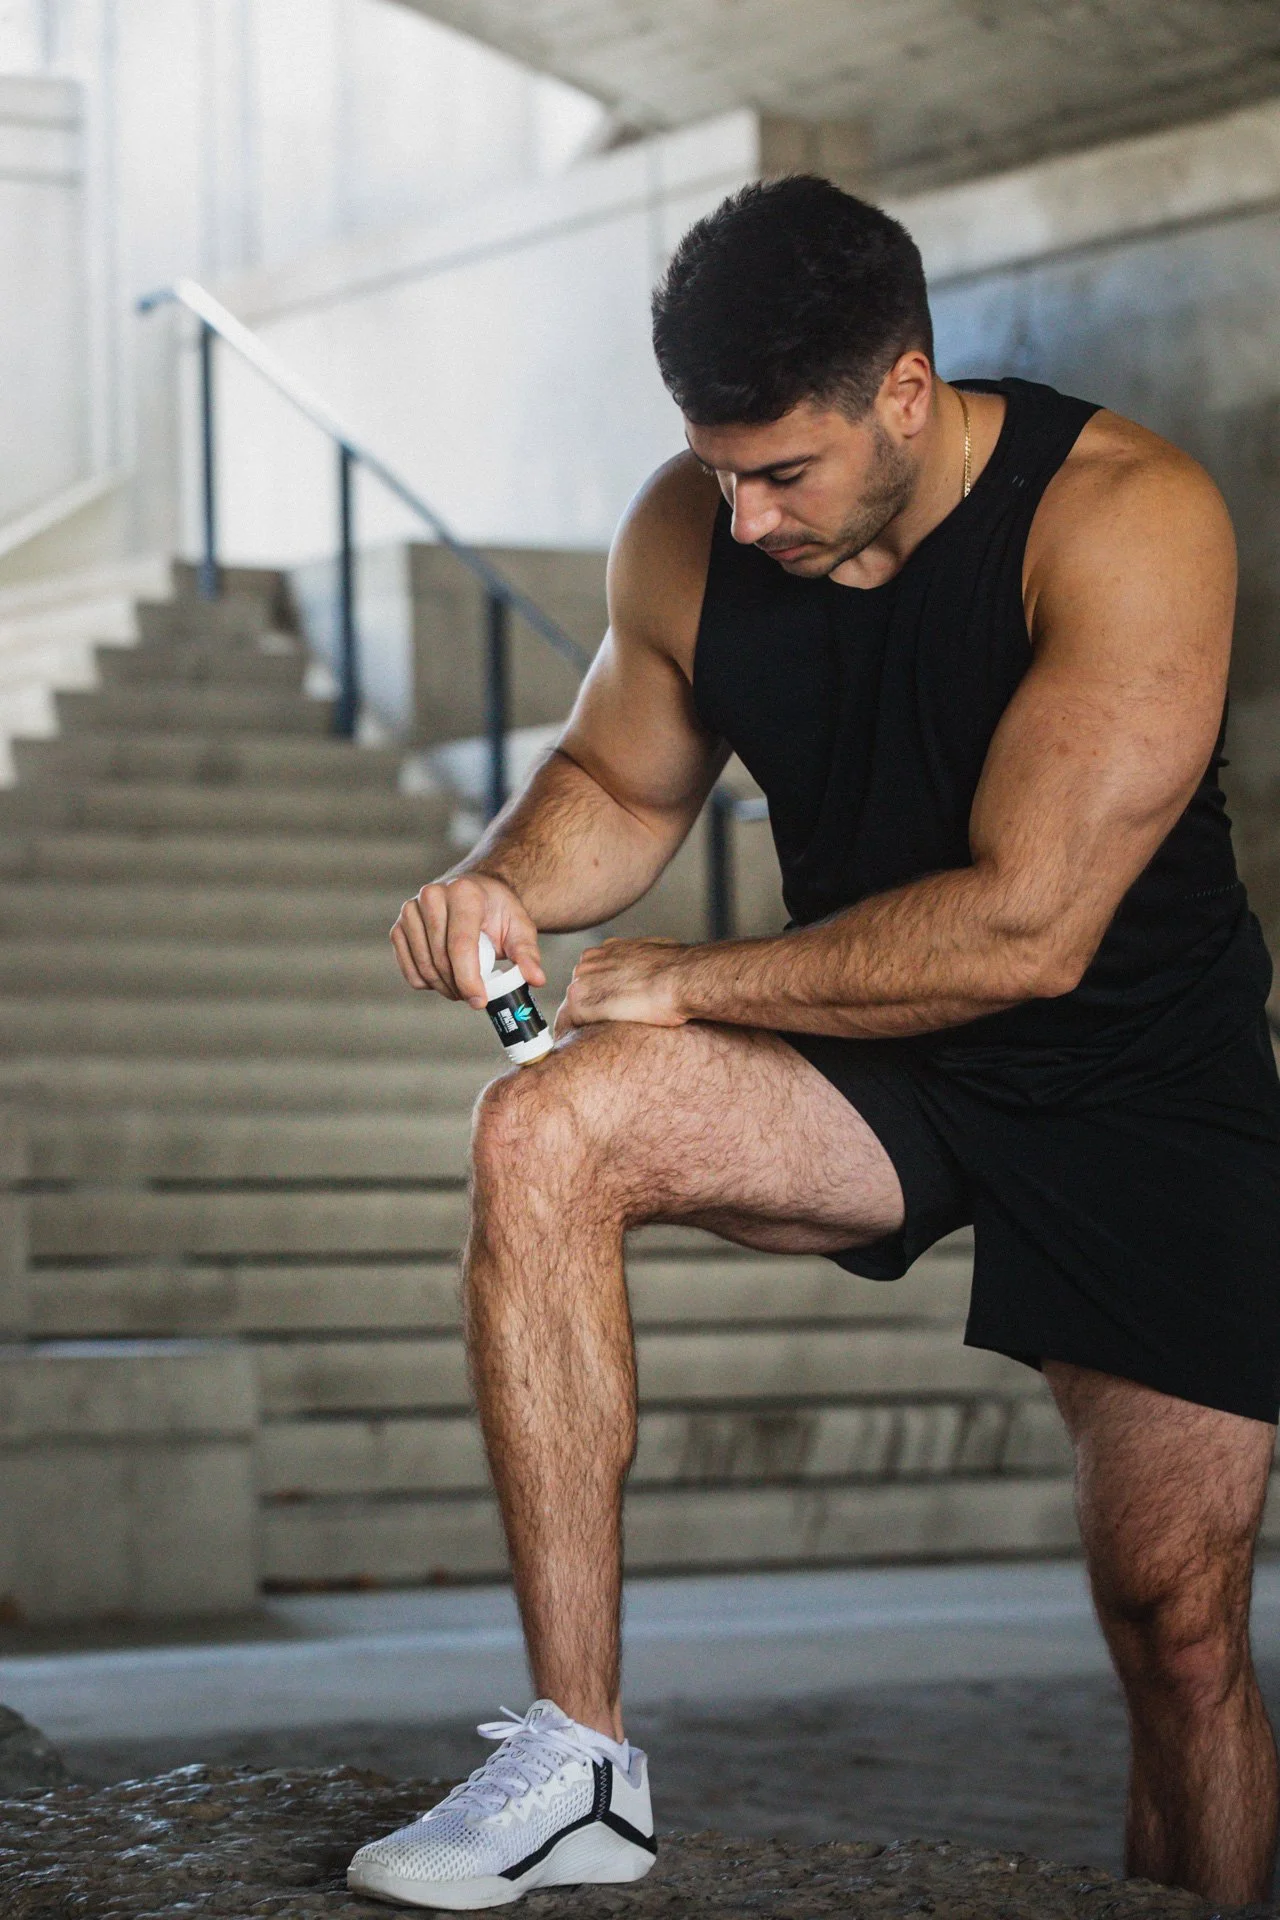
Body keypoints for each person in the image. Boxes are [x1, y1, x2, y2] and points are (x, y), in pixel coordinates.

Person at [348, 176, 1280, 1912]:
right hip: (875, 1057)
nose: (748, 514)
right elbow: (622, 782)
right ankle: (579, 1760)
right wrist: (498, 882)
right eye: (719, 467)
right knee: (542, 1128)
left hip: (1141, 1081)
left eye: (787, 471)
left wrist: (694, 978)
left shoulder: (1131, 517)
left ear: (906, 394)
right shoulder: (692, 531)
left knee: (1180, 1624)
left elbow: (1026, 927)